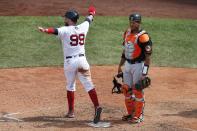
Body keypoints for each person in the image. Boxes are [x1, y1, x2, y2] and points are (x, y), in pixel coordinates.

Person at [38, 6, 102, 124]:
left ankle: (71, 112)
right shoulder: (83, 26)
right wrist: (92, 12)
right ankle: (97, 106)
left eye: (66, 18)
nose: (65, 20)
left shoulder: (65, 30)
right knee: (89, 85)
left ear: (69, 19)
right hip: (83, 61)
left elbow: (54, 31)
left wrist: (45, 30)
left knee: (70, 86)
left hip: (70, 63)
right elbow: (89, 19)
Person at [117, 13, 152, 123]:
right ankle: (130, 113)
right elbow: (125, 51)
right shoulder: (127, 33)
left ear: (139, 23)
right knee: (126, 89)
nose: (132, 24)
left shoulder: (143, 37)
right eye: (131, 22)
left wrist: (144, 73)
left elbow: (148, 57)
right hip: (128, 64)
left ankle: (138, 115)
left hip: (138, 66)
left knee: (137, 90)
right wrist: (120, 65)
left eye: (135, 22)